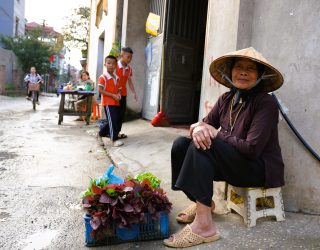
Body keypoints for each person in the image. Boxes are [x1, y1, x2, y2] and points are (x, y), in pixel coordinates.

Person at [164, 47, 285, 248]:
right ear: (230, 72)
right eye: (239, 67)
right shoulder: (226, 99)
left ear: (259, 76)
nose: (243, 72)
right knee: (181, 145)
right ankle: (203, 203)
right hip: (233, 163)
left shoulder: (266, 103)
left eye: (250, 69)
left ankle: (204, 226)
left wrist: (217, 134)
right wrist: (197, 128)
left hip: (257, 169)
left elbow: (252, 149)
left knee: (203, 146)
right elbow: (204, 125)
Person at [97, 55, 124, 147]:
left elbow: (120, 89)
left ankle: (100, 134)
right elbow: (100, 90)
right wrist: (112, 95)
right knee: (112, 120)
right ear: (105, 64)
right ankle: (114, 139)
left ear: (116, 65)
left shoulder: (117, 77)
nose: (111, 65)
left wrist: (119, 95)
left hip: (116, 102)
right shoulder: (103, 77)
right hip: (108, 103)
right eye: (109, 63)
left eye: (113, 64)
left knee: (113, 120)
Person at [116, 47, 138, 139]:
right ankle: (110, 132)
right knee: (114, 115)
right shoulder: (115, 66)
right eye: (128, 57)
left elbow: (129, 81)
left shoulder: (129, 69)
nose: (129, 60)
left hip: (123, 95)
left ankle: (117, 132)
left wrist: (133, 92)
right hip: (114, 95)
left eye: (131, 58)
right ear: (122, 55)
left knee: (121, 115)